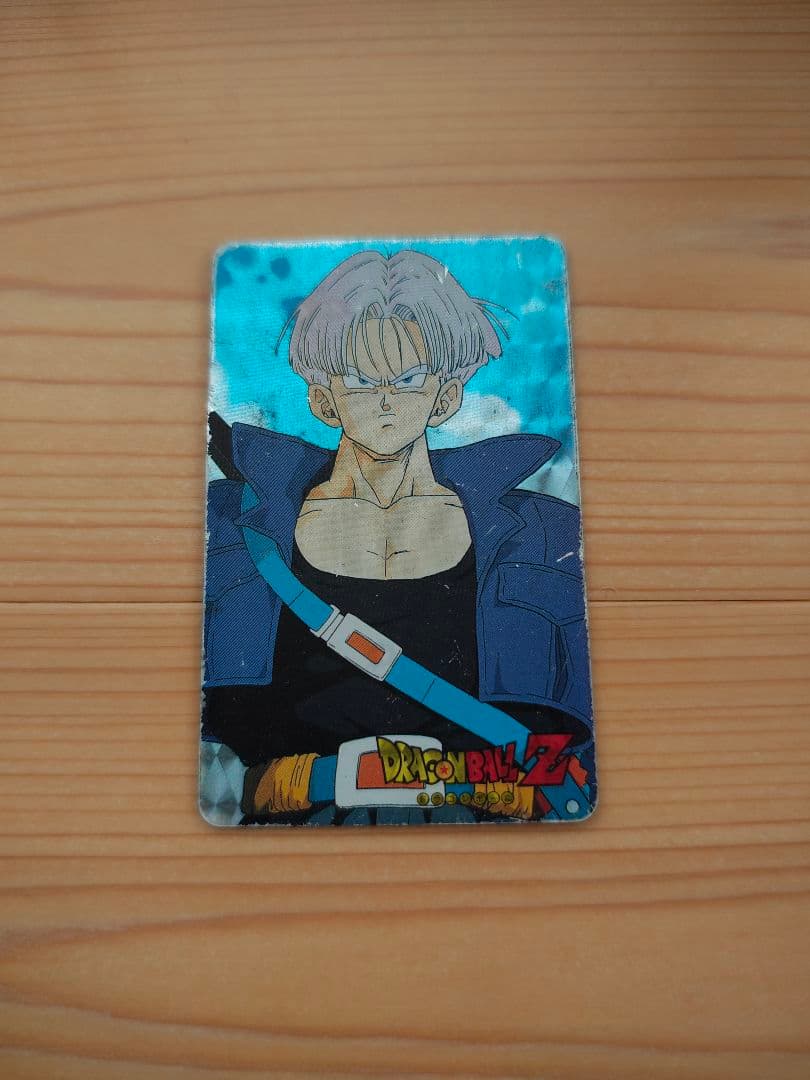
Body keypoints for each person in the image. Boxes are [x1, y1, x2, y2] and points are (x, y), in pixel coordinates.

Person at [201, 248, 594, 826]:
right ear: (323, 397)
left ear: (445, 395)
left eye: (408, 379)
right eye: (361, 379)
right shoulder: (232, 532)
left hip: (490, 829)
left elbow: (578, 747)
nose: (385, 400)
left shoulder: (541, 537)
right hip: (285, 829)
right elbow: (208, 752)